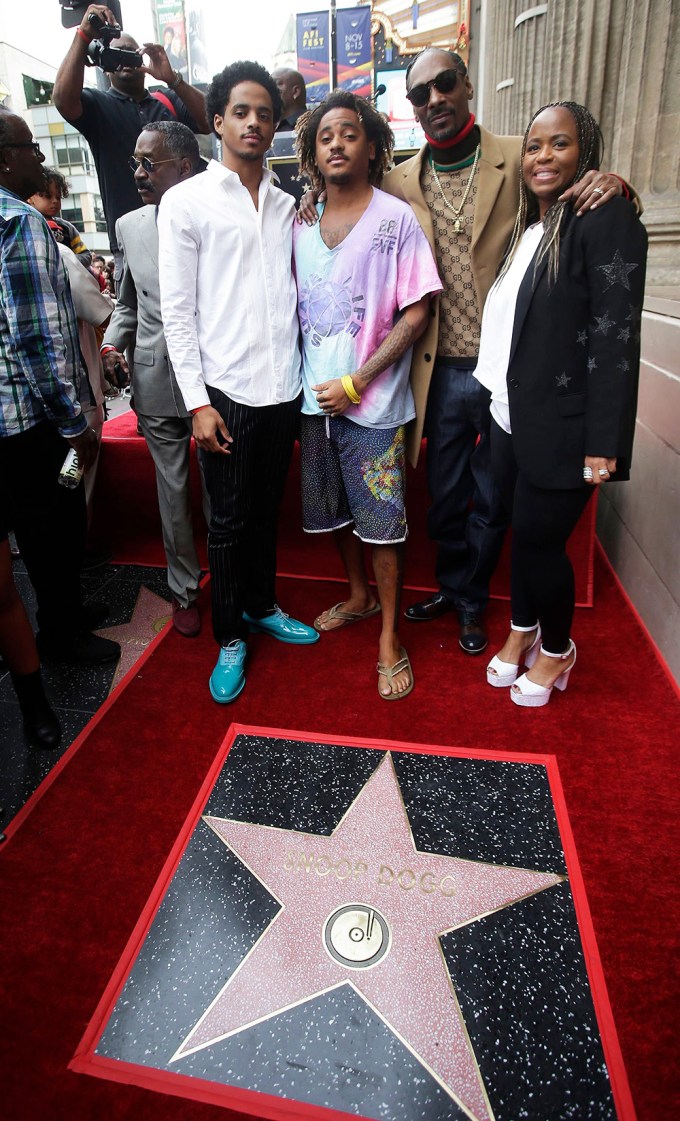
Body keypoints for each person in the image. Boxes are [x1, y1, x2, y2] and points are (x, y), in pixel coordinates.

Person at [377, 48, 633, 655]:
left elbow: (581, 174)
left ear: (466, 86)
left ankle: (472, 602)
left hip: (507, 372)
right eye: (420, 94)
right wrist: (309, 196)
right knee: (444, 493)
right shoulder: (398, 180)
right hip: (436, 368)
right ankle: (451, 584)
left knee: (493, 499)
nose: (434, 99)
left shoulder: (523, 152)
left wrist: (613, 181)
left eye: (444, 84)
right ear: (412, 108)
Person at [158, 60, 319, 704]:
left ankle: (260, 604)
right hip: (222, 392)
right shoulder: (186, 201)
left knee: (263, 513)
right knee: (224, 522)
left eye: (265, 114)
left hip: (284, 389)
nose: (254, 123)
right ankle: (231, 635)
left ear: (276, 126)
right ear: (217, 121)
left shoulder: (289, 206)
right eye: (241, 112)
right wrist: (196, 402)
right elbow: (178, 312)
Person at [476, 102, 647, 707]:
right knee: (524, 536)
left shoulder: (604, 218)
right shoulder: (532, 228)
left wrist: (604, 443)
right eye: (534, 146)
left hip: (565, 426)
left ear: (587, 154)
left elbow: (614, 337)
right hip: (508, 415)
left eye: (560, 144)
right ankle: (524, 627)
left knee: (542, 543)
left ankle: (558, 650)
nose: (543, 156)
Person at [293, 91, 442, 699]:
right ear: (311, 151)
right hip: (311, 406)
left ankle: (389, 638)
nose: (336, 143)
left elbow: (418, 312)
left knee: (383, 527)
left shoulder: (395, 218)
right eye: (325, 135)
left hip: (374, 410)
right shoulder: (299, 222)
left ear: (373, 145)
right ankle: (355, 596)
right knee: (331, 515)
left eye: (349, 133)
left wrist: (359, 380)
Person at [0, 108, 119, 667]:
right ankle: (62, 635)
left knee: (45, 532)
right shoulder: (19, 223)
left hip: (11, 423)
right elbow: (34, 340)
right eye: (30, 147)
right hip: (36, 423)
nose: (40, 158)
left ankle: (64, 616)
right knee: (56, 530)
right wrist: (75, 426)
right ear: (4, 158)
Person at [101, 121, 207, 638]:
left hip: (216, 381)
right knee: (173, 494)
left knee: (221, 492)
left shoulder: (220, 214)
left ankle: (232, 581)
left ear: (184, 167)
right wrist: (109, 344)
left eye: (150, 163)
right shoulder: (129, 226)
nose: (139, 173)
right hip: (155, 379)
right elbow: (127, 303)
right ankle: (185, 591)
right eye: (135, 163)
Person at [53, 3, 209, 278]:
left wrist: (173, 79)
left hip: (187, 231)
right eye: (115, 52)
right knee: (142, 319)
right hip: (131, 243)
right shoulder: (97, 105)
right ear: (102, 63)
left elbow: (212, 121)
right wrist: (83, 36)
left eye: (130, 52)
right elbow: (63, 100)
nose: (124, 58)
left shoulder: (167, 99)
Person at [27, 166, 92, 265]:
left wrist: (68, 260)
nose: (55, 201)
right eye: (48, 196)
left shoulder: (67, 228)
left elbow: (85, 255)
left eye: (58, 197)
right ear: (30, 197)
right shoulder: (26, 226)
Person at [272, 68, 307, 132]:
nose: (271, 89)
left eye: (276, 83)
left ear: (296, 92)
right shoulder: (270, 126)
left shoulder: (314, 125)